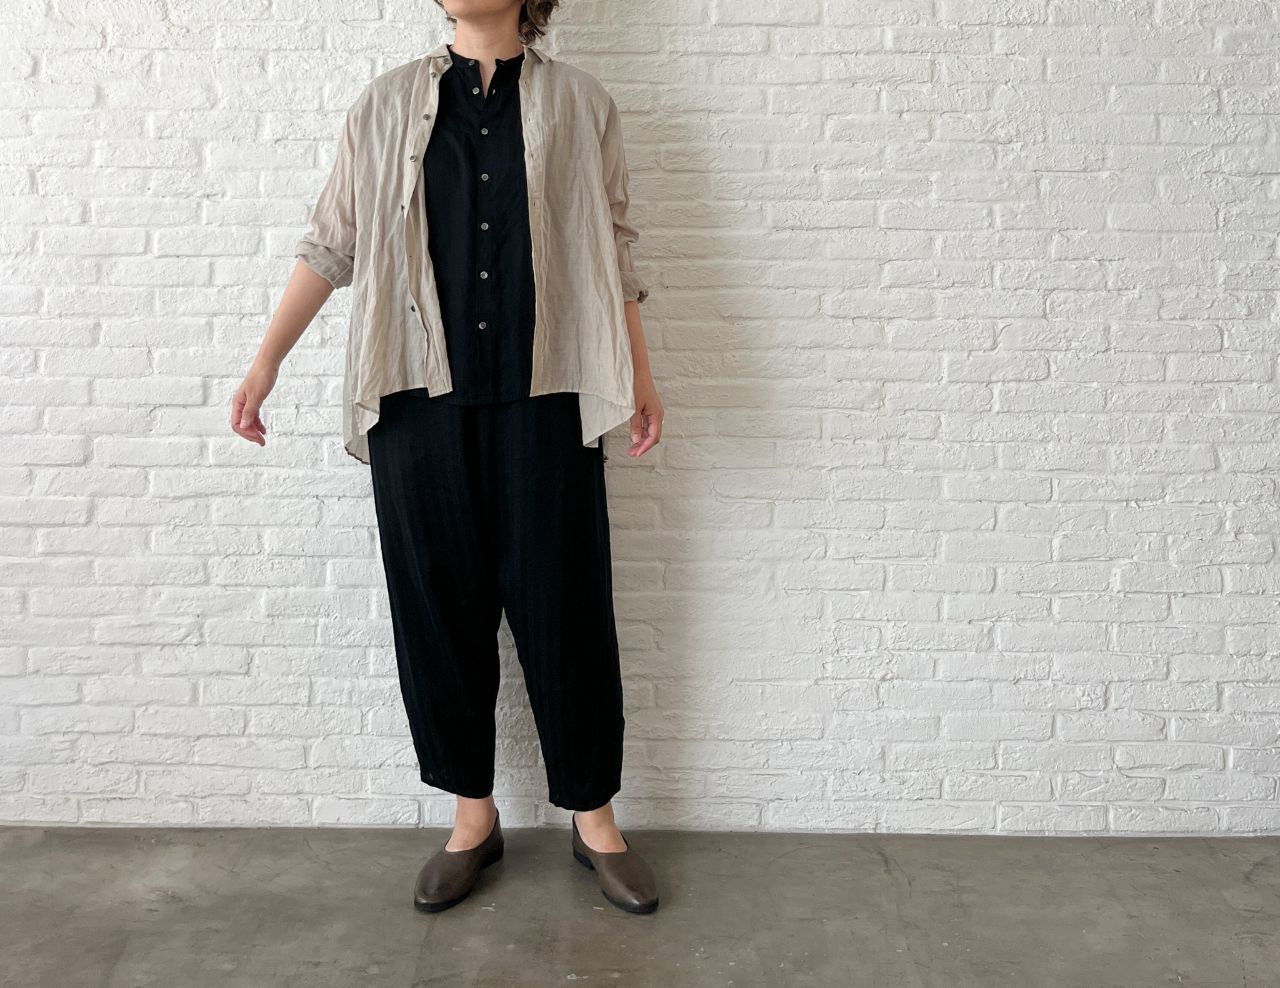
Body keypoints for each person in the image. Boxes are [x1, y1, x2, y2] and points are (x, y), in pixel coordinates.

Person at [230, 0, 663, 915]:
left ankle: (594, 817)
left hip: (548, 393)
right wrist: (266, 362)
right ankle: (473, 818)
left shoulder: (582, 104)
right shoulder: (385, 104)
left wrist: (641, 374)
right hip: (416, 401)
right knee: (438, 610)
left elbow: (613, 249)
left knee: (567, 606)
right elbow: (333, 241)